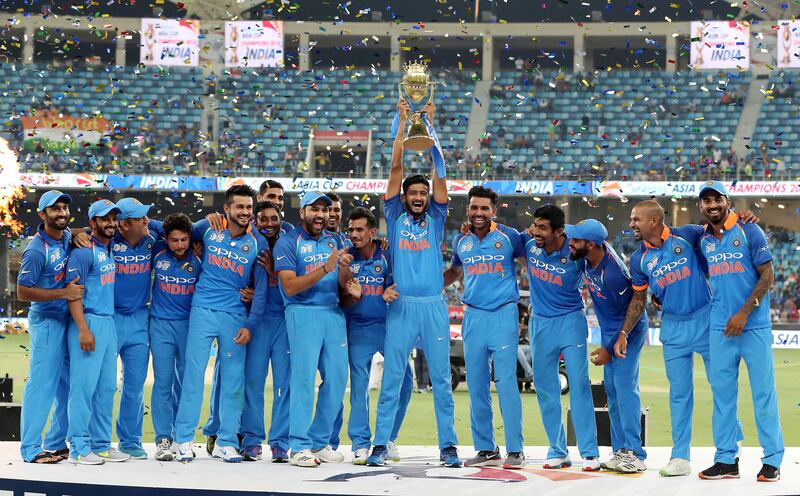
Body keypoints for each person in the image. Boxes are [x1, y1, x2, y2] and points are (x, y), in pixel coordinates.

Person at [615, 200, 746, 477]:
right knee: (679, 394)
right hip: (672, 327)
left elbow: (720, 228)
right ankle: (680, 457)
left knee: (721, 385)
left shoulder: (687, 234)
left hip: (706, 318)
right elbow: (639, 298)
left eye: (636, 219)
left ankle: (732, 440)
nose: (631, 225)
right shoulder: (639, 259)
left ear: (654, 221)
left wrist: (741, 218)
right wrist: (624, 332)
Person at [367, 98, 461, 468]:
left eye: (423, 194)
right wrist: (401, 122)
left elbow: (440, 175)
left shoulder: (437, 216)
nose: (420, 197)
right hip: (402, 305)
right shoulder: (394, 214)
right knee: (391, 380)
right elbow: (395, 165)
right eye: (414, 193)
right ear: (404, 197)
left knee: (440, 380)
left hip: (433, 306)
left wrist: (432, 128)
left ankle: (448, 447)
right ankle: (379, 445)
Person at [697, 181, 784, 482]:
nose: (712, 205)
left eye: (717, 199)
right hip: (720, 328)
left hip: (754, 326)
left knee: (763, 394)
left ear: (728, 201)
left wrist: (744, 312)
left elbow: (768, 274)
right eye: (706, 201)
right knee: (722, 397)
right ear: (701, 207)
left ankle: (772, 459)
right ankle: (725, 459)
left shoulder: (749, 230)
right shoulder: (703, 239)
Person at [172, 185, 265, 463]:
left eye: (249, 207)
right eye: (240, 207)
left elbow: (259, 286)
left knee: (233, 381)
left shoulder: (256, 242)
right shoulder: (208, 228)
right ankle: (184, 440)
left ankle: (226, 442)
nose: (246, 212)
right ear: (227, 209)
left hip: (235, 316)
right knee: (193, 377)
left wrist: (250, 319)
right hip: (202, 311)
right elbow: (174, 229)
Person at [273, 191, 358, 467]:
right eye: (315, 209)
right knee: (303, 380)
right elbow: (289, 286)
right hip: (302, 313)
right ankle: (298, 445)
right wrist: (326, 266)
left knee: (337, 380)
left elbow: (340, 279)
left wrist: (346, 275)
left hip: (333, 313)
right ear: (303, 212)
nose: (321, 214)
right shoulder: (288, 242)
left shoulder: (336, 240)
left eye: (325, 209)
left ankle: (319, 441)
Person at [443, 186, 526, 469]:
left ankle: (515, 450)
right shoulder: (460, 240)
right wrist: (427, 290)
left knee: (505, 384)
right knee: (476, 384)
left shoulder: (509, 237)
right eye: (474, 208)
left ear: (494, 209)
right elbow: (454, 272)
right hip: (473, 317)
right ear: (468, 209)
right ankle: (487, 448)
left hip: (503, 314)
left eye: (484, 208)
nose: (478, 213)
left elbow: (531, 264)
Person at [566, 219, 648, 473]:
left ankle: (636, 453)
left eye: (576, 240)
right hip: (612, 332)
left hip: (628, 332)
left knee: (624, 391)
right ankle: (620, 450)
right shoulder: (589, 257)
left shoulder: (612, 274)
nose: (571, 243)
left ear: (590, 245)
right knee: (612, 391)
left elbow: (633, 311)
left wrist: (611, 346)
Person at [521, 204, 599, 471]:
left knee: (579, 384)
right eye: (535, 226)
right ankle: (558, 450)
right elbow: (502, 236)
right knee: (545, 389)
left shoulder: (576, 250)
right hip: (540, 324)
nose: (537, 232)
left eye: (543, 228)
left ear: (559, 231)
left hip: (570, 322)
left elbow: (601, 266)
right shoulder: (529, 244)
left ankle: (589, 453)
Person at [339, 207, 413, 465]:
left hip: (389, 326)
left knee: (405, 381)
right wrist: (354, 293)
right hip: (358, 327)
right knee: (359, 386)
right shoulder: (346, 258)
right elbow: (342, 298)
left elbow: (399, 285)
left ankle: (388, 438)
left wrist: (390, 294)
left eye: (359, 230)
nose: (354, 234)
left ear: (372, 232)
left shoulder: (388, 254)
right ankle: (360, 444)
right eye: (350, 230)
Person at [18, 191, 82, 464]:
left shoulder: (67, 236)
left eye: (64, 208)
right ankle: (30, 449)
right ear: (42, 215)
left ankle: (56, 442)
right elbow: (22, 292)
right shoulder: (35, 250)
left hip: (66, 320)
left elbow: (79, 229)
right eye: (54, 209)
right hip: (46, 321)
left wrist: (79, 231)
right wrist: (63, 295)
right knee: (42, 385)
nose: (61, 213)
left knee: (66, 387)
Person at [66, 199, 130, 464]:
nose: (111, 223)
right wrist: (83, 328)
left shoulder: (110, 247)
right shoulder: (83, 251)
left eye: (114, 218)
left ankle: (102, 444)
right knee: (83, 387)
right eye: (104, 218)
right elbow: (72, 293)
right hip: (88, 322)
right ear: (92, 222)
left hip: (108, 323)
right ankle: (78, 447)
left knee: (106, 388)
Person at [238, 201, 292, 463]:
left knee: (285, 385)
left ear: (281, 219)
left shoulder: (291, 243)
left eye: (274, 218)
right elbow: (245, 283)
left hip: (283, 322)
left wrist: (276, 273)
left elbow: (296, 287)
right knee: (252, 383)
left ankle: (281, 442)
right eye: (263, 219)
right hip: (258, 324)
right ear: (256, 222)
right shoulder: (251, 245)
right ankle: (250, 439)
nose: (269, 223)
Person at [111, 197, 163, 459]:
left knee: (134, 385)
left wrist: (148, 222)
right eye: (140, 218)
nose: (146, 221)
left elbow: (180, 230)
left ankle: (130, 440)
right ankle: (92, 439)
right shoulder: (110, 240)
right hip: (111, 319)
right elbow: (83, 234)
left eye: (147, 216)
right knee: (103, 384)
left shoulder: (152, 239)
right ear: (122, 224)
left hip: (140, 319)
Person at [149, 213, 202, 461]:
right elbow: (148, 224)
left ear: (190, 238)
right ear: (166, 239)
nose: (179, 245)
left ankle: (183, 438)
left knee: (186, 383)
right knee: (162, 383)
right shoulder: (157, 250)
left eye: (183, 239)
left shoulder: (201, 256)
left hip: (190, 326)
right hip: (160, 325)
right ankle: (163, 439)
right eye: (174, 240)